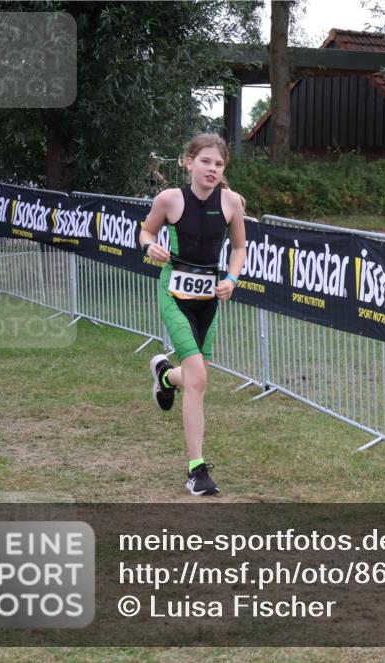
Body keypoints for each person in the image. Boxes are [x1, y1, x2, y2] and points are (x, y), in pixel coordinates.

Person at [139, 133, 247, 495]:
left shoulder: (232, 202)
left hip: (210, 298)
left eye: (219, 164)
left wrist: (232, 278)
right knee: (199, 378)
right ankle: (196, 470)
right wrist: (151, 247)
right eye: (206, 162)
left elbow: (240, 247)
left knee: (196, 378)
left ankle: (166, 376)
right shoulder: (169, 199)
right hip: (174, 293)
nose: (212, 169)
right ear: (188, 162)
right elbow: (145, 231)